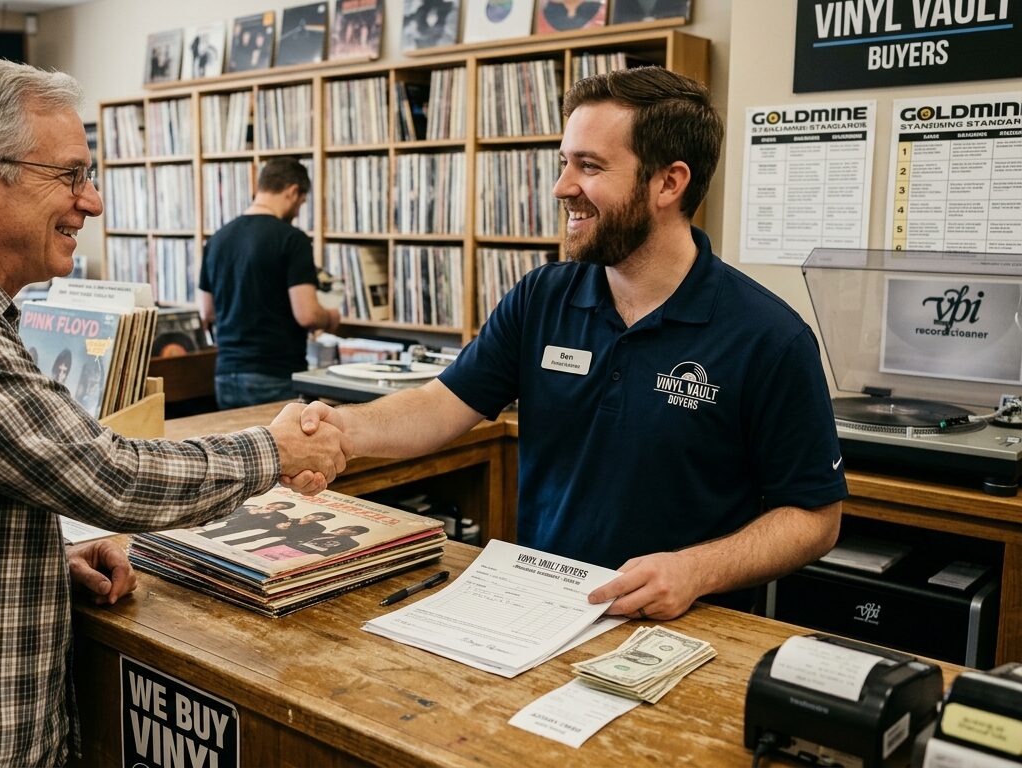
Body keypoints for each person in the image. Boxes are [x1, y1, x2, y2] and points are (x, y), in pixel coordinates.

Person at [0, 57, 350, 768]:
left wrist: (38, 561)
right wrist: (274, 451)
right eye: (70, 175)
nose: (90, 203)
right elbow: (108, 475)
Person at [296, 67, 846, 621]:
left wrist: (695, 570)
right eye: (565, 162)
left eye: (590, 166)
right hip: (536, 612)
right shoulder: (542, 296)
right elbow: (442, 406)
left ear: (668, 183)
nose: (562, 186)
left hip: (684, 629)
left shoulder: (770, 338)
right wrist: (348, 430)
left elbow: (815, 517)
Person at [199, 157, 339, 409]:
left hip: (226, 373)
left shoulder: (218, 239)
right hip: (276, 372)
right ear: (293, 191)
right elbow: (307, 315)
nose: (297, 212)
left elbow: (207, 311)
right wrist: (329, 318)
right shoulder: (292, 240)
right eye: (301, 203)